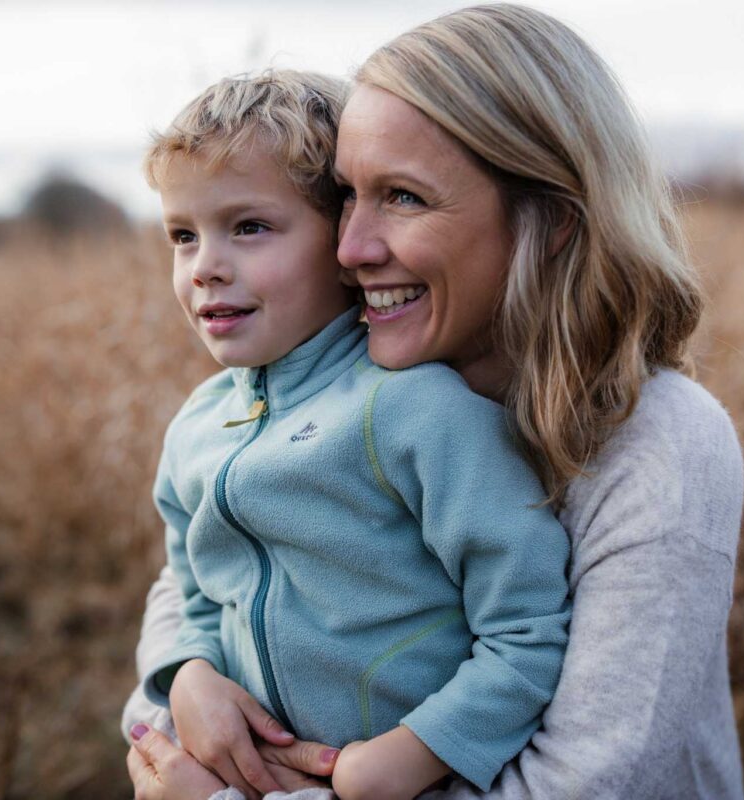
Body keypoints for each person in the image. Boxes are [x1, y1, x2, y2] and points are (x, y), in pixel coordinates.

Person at [125, 5, 744, 799]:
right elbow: (201, 580)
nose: (351, 249)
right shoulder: (295, 398)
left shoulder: (659, 447)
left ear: (550, 219)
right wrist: (185, 678)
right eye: (347, 197)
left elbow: (581, 781)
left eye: (405, 198)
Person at [129, 68, 572, 800]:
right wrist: (189, 676)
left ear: (341, 239)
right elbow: (195, 594)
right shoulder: (197, 431)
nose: (205, 267)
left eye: (249, 227)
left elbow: (530, 631)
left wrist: (411, 756)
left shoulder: (417, 412)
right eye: (183, 235)